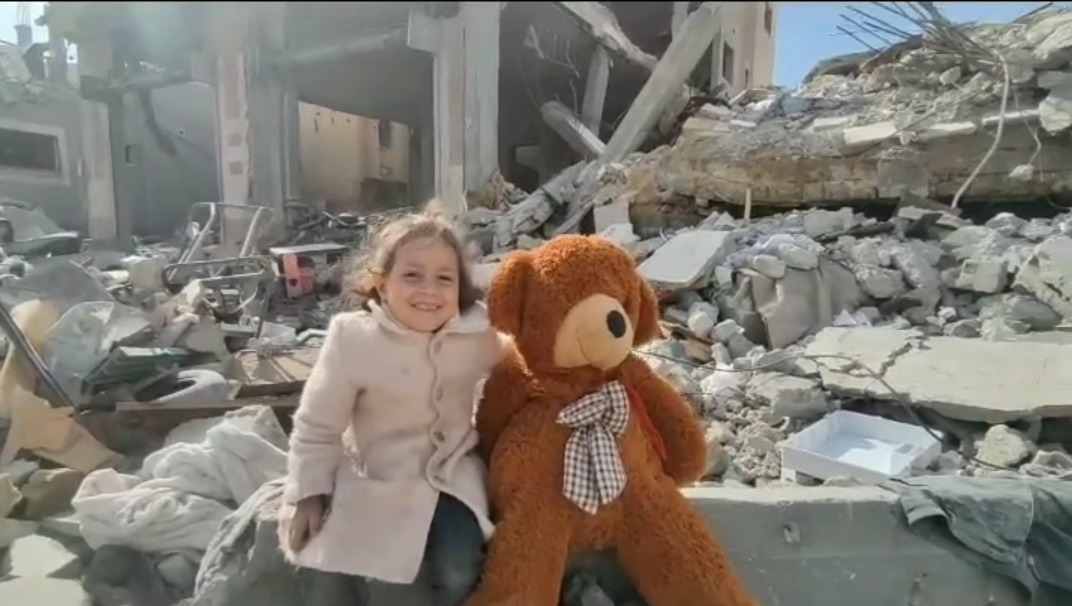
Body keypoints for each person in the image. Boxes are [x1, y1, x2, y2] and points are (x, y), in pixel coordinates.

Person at [277, 201, 506, 605]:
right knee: (386, 579)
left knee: (459, 566)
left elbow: (524, 367)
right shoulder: (354, 339)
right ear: (382, 284)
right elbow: (318, 424)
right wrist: (308, 492)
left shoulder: (477, 333)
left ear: (460, 289)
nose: (429, 290)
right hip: (383, 476)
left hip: (453, 475)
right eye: (412, 276)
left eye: (444, 278)